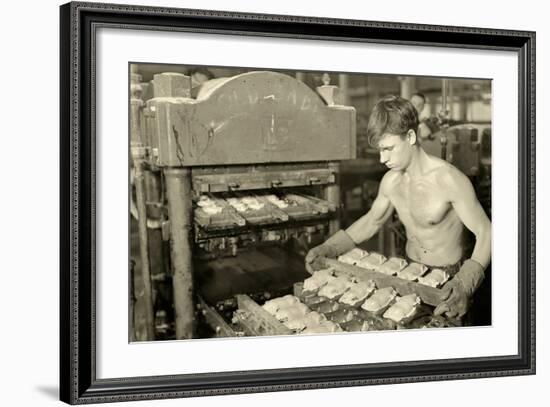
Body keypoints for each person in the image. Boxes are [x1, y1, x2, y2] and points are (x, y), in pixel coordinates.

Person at [305, 95, 491, 319]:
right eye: (380, 150)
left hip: (448, 279)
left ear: (411, 137)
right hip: (407, 271)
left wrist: (465, 282)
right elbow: (372, 221)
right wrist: (331, 247)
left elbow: (486, 232)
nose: (382, 159)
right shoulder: (391, 181)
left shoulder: (449, 180)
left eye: (389, 149)